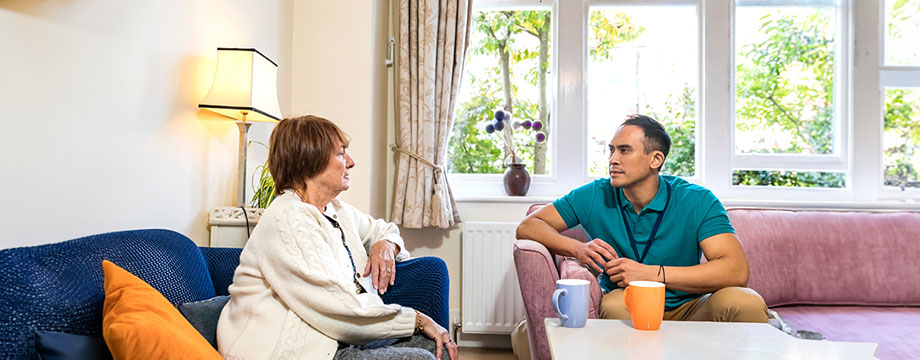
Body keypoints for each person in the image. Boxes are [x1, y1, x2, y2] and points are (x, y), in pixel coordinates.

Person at [217, 115, 458, 360]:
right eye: (341, 154)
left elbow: (383, 230)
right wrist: (417, 319)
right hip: (306, 350)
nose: (351, 163)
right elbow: (341, 310)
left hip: (343, 337)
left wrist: (385, 245)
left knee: (437, 348)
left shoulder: (335, 209)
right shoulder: (288, 219)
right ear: (309, 161)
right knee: (422, 358)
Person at [516, 114, 768, 323]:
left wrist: (651, 274)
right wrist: (578, 248)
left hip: (691, 306)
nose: (613, 160)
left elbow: (736, 270)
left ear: (655, 160)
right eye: (612, 151)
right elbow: (529, 226)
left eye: (625, 151)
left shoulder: (697, 199)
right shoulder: (594, 194)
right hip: (628, 301)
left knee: (745, 301)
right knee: (614, 304)